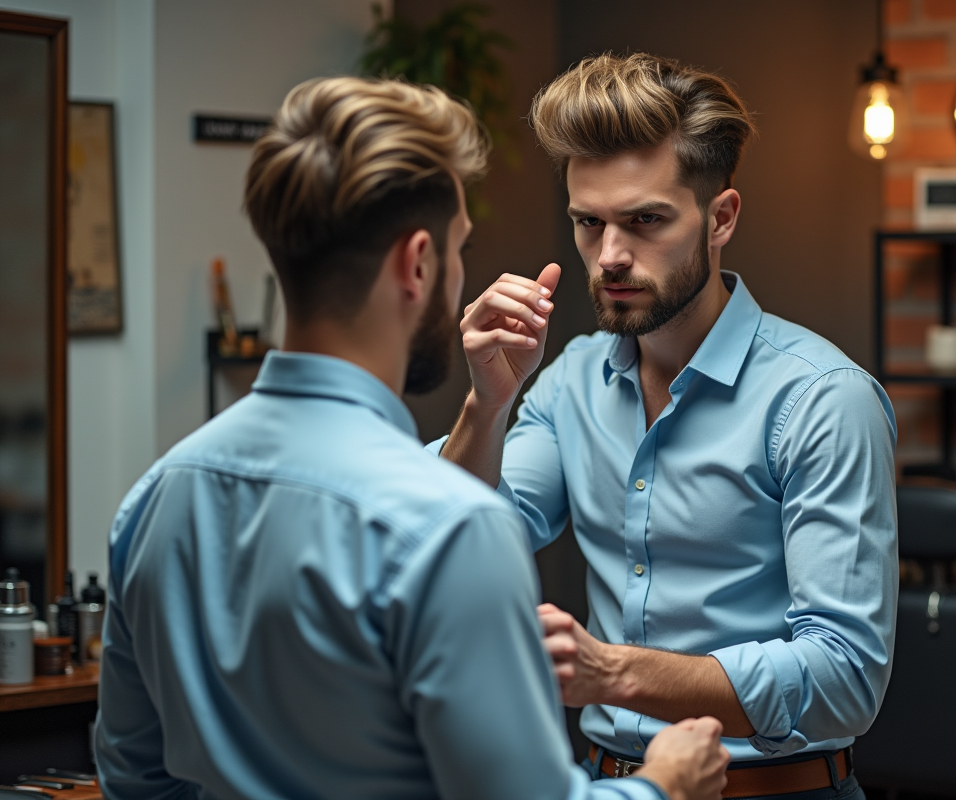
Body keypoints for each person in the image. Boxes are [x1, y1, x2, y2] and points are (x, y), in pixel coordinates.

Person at [94, 76, 729, 800]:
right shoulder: (452, 525)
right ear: (418, 263)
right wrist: (666, 786)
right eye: (459, 249)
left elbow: (134, 782)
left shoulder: (155, 500)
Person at [435, 53, 898, 800]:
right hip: (612, 786)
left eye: (645, 220)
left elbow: (845, 677)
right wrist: (485, 405)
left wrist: (611, 673)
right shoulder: (570, 382)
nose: (610, 257)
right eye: (589, 224)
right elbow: (456, 538)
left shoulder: (821, 399)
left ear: (721, 218)